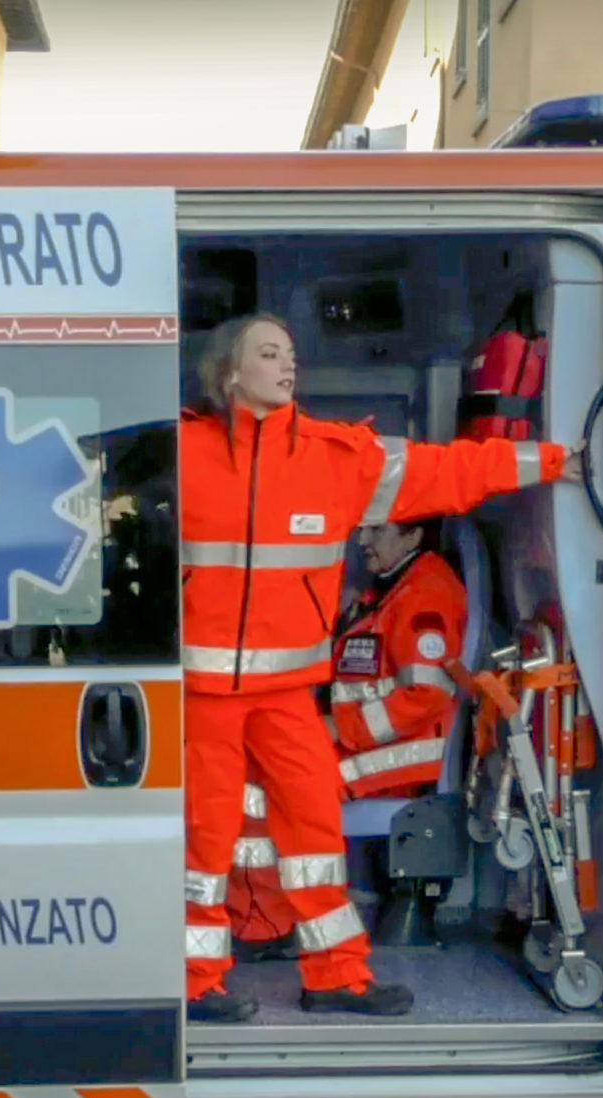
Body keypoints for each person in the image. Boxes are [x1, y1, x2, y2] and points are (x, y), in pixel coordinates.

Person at [180, 313, 573, 1022]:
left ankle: (334, 975)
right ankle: (196, 981)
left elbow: (448, 469)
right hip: (205, 695)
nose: (287, 365)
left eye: (291, 354)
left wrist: (549, 461)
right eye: (269, 354)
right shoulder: (182, 452)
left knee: (314, 831)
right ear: (229, 374)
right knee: (207, 840)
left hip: (288, 697)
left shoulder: (336, 458)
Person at [229, 516, 468, 957]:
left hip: (405, 756)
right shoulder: (396, 587)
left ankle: (267, 926)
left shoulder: (426, 594)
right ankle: (267, 918)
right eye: (362, 530)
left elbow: (427, 696)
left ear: (414, 535)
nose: (363, 541)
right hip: (377, 744)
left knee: (265, 788)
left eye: (377, 531)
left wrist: (341, 728)